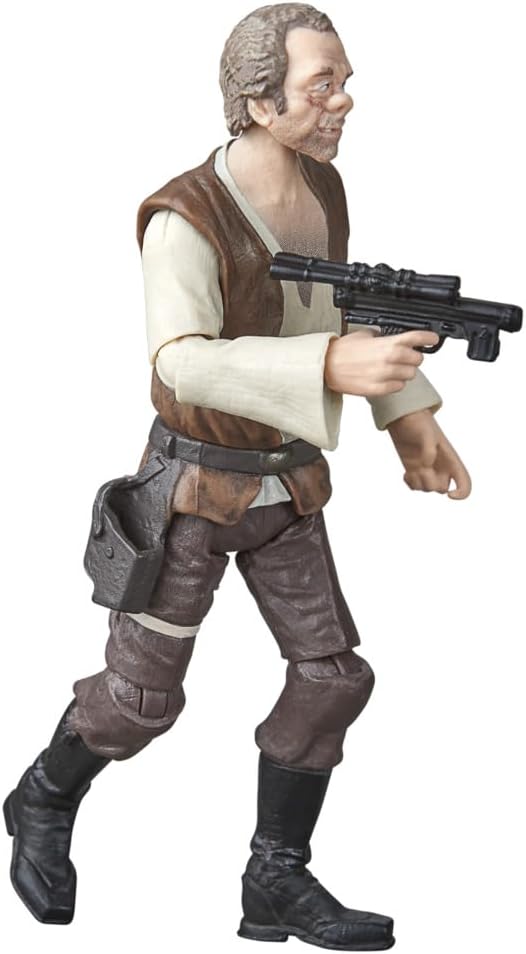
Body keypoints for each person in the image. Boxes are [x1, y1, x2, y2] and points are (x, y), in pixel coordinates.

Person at [4, 4, 471, 949]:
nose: (343, 102)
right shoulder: (186, 217)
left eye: (343, 82)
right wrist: (328, 369)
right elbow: (180, 360)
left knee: (333, 679)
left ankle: (275, 876)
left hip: (287, 486)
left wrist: (410, 418)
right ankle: (42, 798)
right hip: (193, 491)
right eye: (321, 86)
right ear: (259, 103)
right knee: (138, 703)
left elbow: (342, 312)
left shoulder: (322, 188)